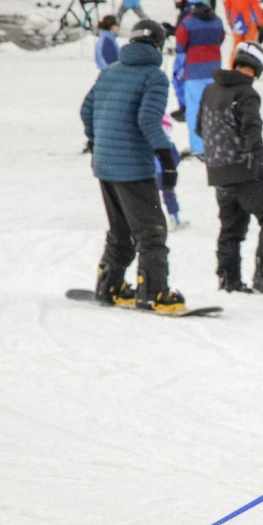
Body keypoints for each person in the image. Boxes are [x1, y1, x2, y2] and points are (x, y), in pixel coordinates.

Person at [79, 19, 185, 313]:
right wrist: (166, 157)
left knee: (120, 230)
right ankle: (153, 292)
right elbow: (148, 121)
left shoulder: (109, 72)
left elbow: (86, 110)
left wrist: (97, 141)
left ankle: (109, 285)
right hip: (133, 168)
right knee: (151, 232)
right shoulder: (154, 77)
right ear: (158, 46)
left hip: (105, 165)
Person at [197, 42, 263, 294]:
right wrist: (259, 160)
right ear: (256, 68)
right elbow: (252, 128)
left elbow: (199, 127)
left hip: (217, 170)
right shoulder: (246, 93)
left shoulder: (210, 89)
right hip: (244, 169)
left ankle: (229, 279)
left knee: (231, 227)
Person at [173, 0, 225, 156]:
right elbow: (221, 38)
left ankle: (198, 147)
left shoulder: (187, 22)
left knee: (194, 109)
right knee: (214, 108)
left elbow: (180, 46)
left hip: (194, 73)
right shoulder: (217, 21)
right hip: (214, 71)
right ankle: (216, 143)